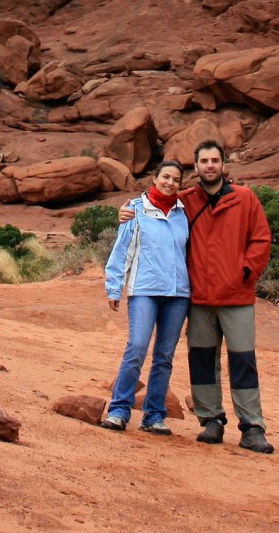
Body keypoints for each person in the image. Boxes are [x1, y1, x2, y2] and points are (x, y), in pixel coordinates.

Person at [179, 139, 274, 453]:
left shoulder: (244, 199)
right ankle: (211, 420)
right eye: (204, 161)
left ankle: (252, 427)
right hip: (200, 298)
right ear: (196, 167)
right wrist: (129, 210)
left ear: (223, 165)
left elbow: (260, 239)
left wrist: (245, 272)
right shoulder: (187, 201)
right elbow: (156, 204)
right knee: (202, 360)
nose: (209, 166)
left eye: (214, 160)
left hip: (236, 295)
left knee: (243, 361)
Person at [100, 158, 192, 434]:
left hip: (178, 294)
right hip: (144, 290)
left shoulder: (183, 213)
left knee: (164, 356)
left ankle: (154, 415)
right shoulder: (135, 210)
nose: (170, 183)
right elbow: (122, 249)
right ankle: (119, 410)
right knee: (137, 347)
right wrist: (114, 286)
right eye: (165, 177)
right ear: (155, 178)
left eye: (176, 180)